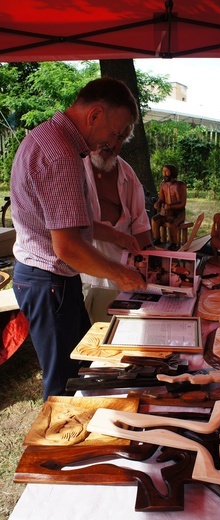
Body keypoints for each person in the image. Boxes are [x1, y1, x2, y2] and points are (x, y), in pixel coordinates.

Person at [10, 77, 147, 401]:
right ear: (95, 114)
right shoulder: (61, 156)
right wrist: (120, 273)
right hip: (48, 279)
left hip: (51, 278)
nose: (113, 142)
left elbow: (66, 222)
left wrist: (114, 234)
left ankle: (76, 434)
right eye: (115, 132)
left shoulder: (51, 139)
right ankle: (55, 449)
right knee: (63, 387)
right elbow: (68, 246)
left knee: (82, 365)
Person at [81, 123, 153, 323]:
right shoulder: (75, 168)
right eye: (110, 134)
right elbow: (74, 226)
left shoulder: (127, 175)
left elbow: (141, 227)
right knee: (82, 342)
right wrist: (117, 236)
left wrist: (154, 265)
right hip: (82, 276)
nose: (111, 144)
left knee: (117, 338)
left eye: (120, 139)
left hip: (121, 278)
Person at [151, 164, 187, 251]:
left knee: (172, 223)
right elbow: (161, 199)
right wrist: (158, 204)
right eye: (163, 172)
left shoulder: (179, 185)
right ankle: (157, 238)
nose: (164, 174)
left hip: (178, 213)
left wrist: (170, 206)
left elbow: (182, 203)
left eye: (166, 171)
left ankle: (173, 243)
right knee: (154, 220)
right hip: (166, 213)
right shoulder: (163, 185)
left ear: (172, 172)